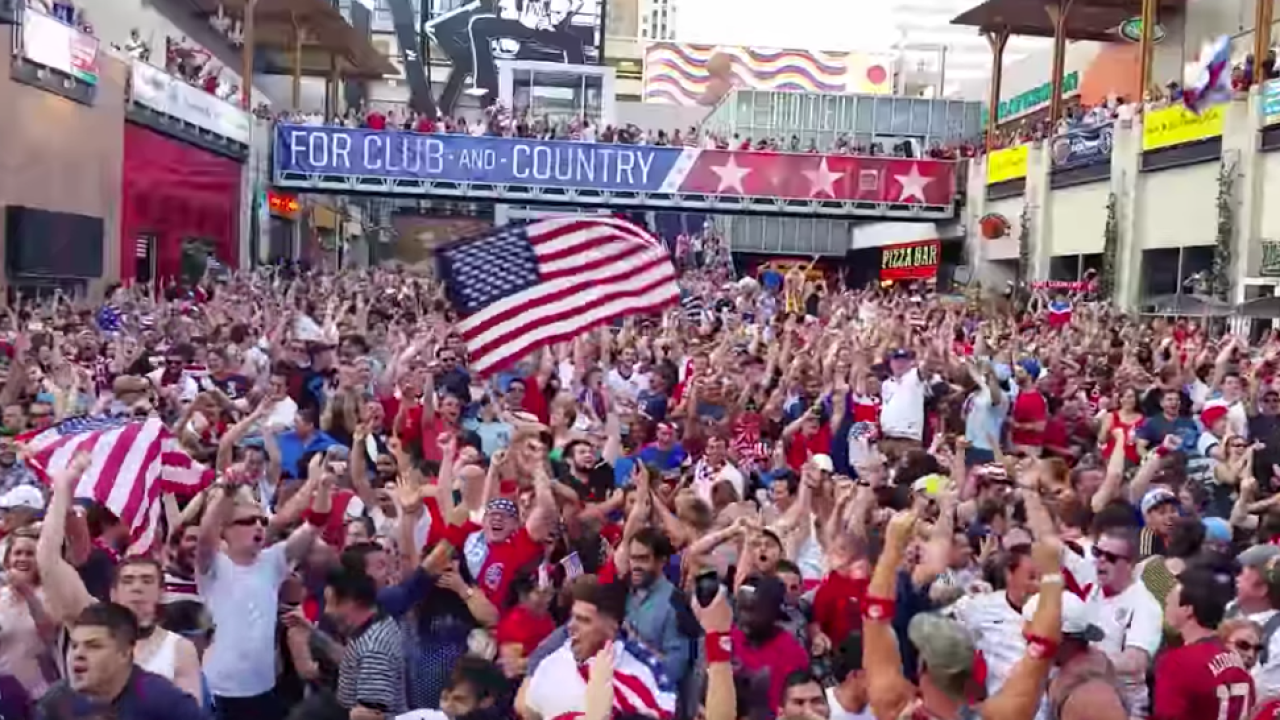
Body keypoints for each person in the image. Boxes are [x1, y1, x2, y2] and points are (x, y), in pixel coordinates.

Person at [35, 602, 209, 719]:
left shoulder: (165, 703)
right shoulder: (54, 703)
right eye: (74, 646)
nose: (78, 654)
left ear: (125, 653)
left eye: (94, 646)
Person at [1156, 566, 1255, 720]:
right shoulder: (1236, 660)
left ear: (1188, 609)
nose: (1166, 606)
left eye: (1170, 601)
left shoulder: (1178, 663)